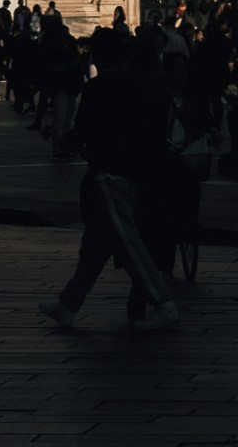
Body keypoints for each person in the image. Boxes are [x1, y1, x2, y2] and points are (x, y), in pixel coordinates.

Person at [40, 31, 179, 329]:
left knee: (127, 241)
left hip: (109, 173)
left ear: (98, 56)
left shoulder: (100, 86)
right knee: (95, 245)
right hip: (131, 171)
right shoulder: (134, 84)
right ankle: (68, 305)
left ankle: (163, 302)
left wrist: (64, 140)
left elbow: (84, 130)